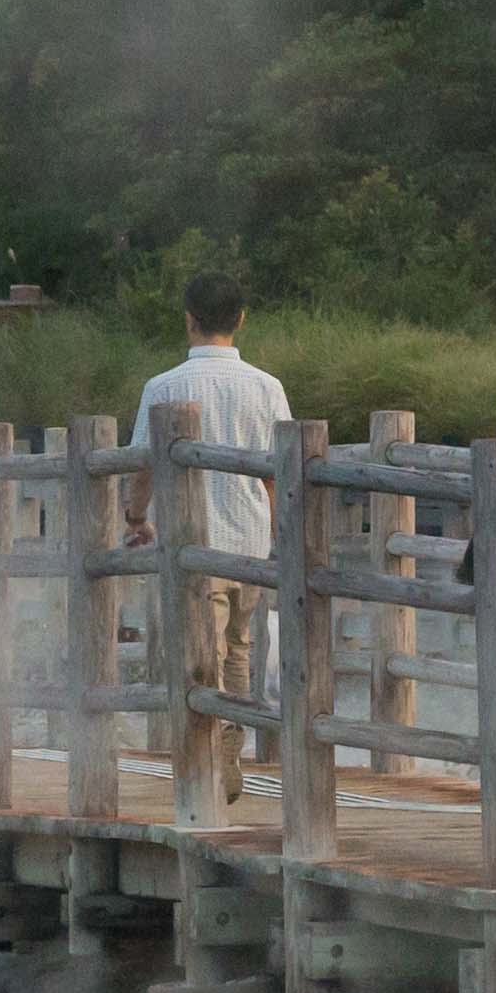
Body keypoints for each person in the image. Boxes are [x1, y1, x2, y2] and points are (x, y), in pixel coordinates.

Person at [118, 274, 290, 817]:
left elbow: (143, 464)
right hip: (247, 539)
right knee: (238, 649)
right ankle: (229, 751)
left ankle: (205, 763)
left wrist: (135, 515)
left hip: (192, 544)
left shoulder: (163, 387)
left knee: (196, 654)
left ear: (188, 317)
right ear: (240, 320)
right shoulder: (267, 387)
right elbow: (276, 469)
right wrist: (275, 527)